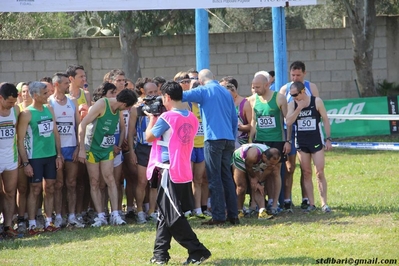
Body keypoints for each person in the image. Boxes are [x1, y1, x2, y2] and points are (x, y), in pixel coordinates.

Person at [145, 81, 211, 265]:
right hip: (183, 170)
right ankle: (160, 255)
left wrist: (152, 118)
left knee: (172, 216)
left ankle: (198, 250)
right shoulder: (191, 117)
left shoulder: (167, 117)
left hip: (169, 170)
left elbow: (148, 137)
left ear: (167, 97)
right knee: (164, 214)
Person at [182, 69, 239, 225]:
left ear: (200, 81)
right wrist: (232, 138)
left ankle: (219, 216)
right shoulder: (226, 92)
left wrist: (192, 86)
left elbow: (181, 96)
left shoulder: (203, 90)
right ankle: (233, 215)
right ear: (214, 77)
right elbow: (235, 118)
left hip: (213, 139)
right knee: (227, 176)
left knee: (214, 179)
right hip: (228, 138)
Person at [78, 87, 137, 227]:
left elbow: (121, 129)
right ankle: (100, 216)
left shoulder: (119, 110)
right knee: (94, 181)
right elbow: (83, 124)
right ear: (124, 104)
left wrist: (115, 144)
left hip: (107, 149)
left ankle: (115, 214)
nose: (127, 111)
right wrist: (81, 149)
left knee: (110, 179)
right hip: (92, 148)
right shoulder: (102, 104)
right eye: (128, 108)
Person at [17, 81, 63, 235]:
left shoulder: (49, 108)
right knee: (35, 189)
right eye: (44, 93)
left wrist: (59, 155)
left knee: (50, 187)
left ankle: (49, 220)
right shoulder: (27, 114)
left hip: (50, 156)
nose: (48, 95)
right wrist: (26, 163)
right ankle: (31, 223)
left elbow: (55, 133)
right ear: (35, 95)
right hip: (34, 157)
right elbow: (20, 140)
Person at [286, 81, 332, 213]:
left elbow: (325, 119)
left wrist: (328, 139)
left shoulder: (316, 101)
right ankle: (311, 204)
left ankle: (324, 203)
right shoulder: (292, 104)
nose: (294, 97)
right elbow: (288, 122)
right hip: (301, 142)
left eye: (296, 94)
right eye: (291, 95)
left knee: (319, 172)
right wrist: (298, 108)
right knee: (306, 172)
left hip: (316, 140)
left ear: (303, 91)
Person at [279, 61, 320, 210]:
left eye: (298, 75)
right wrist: (287, 139)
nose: (295, 77)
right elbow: (283, 113)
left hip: (307, 132)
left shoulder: (311, 87)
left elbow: (317, 108)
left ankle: (306, 198)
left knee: (306, 168)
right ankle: (287, 198)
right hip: (290, 130)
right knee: (290, 167)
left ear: (304, 73)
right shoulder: (284, 89)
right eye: (293, 75)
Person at [248, 73, 291, 215]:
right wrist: (250, 140)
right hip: (260, 141)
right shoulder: (253, 99)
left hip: (277, 140)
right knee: (259, 171)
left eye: (258, 87)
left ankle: (274, 202)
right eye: (253, 87)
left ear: (267, 85)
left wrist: (288, 140)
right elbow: (254, 121)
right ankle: (257, 204)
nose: (255, 90)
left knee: (275, 171)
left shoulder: (279, 97)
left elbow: (288, 120)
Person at [48, 73, 84, 228]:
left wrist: (78, 146)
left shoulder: (72, 101)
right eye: (64, 83)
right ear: (57, 85)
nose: (67, 86)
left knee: (71, 183)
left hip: (71, 146)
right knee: (58, 183)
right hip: (57, 148)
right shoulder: (49, 103)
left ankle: (72, 215)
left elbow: (78, 126)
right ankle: (58, 216)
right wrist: (57, 153)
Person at [128, 81, 159, 224]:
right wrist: (132, 151)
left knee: (155, 182)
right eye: (149, 93)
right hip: (142, 147)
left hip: (157, 147)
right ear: (143, 92)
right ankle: (140, 210)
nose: (152, 96)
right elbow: (130, 132)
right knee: (142, 181)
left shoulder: (161, 106)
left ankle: (152, 210)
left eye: (154, 92)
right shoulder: (137, 108)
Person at [231, 143, 282, 219]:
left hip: (255, 162)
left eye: (274, 164)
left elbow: (262, 178)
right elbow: (248, 167)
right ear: (264, 157)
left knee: (258, 186)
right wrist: (253, 178)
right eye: (271, 163)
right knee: (241, 186)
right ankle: (239, 210)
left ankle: (262, 211)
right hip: (241, 160)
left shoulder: (273, 159)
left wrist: (259, 182)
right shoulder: (253, 155)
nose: (272, 166)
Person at [0, 83, 22, 238]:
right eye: (9, 102)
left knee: (10, 192)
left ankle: (8, 225)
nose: (12, 105)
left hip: (11, 156)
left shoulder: (16, 109)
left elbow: (18, 135)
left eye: (14, 102)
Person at [219, 76, 252, 149]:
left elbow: (251, 126)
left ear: (233, 89)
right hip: (223, 140)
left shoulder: (245, 104)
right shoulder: (219, 102)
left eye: (224, 88)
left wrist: (237, 126)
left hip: (240, 143)